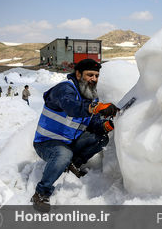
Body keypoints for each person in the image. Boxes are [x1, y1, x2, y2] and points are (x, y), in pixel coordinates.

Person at [31, 59, 118, 212]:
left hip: (69, 142)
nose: (94, 79)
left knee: (101, 137)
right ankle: (41, 193)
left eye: (96, 76)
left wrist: (104, 126)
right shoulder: (64, 89)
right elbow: (71, 107)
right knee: (63, 153)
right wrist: (95, 108)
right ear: (78, 74)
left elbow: (92, 123)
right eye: (90, 75)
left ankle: (73, 163)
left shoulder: (91, 96)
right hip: (46, 143)